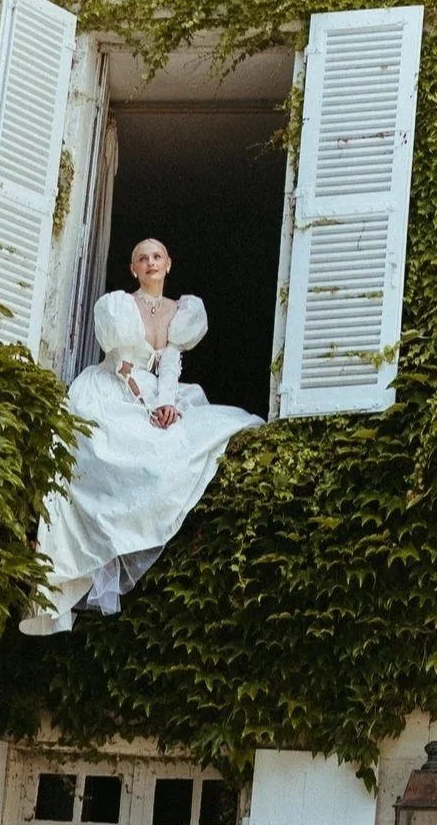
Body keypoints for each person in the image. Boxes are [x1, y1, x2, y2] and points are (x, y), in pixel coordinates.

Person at [21, 238, 260, 635]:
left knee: (185, 440)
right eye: (142, 258)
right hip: (115, 387)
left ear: (169, 264)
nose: (150, 263)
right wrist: (146, 404)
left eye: (157, 256)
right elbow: (123, 367)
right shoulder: (119, 306)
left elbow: (169, 364)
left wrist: (167, 403)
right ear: (133, 269)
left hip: (154, 389)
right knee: (114, 449)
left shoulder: (180, 311)